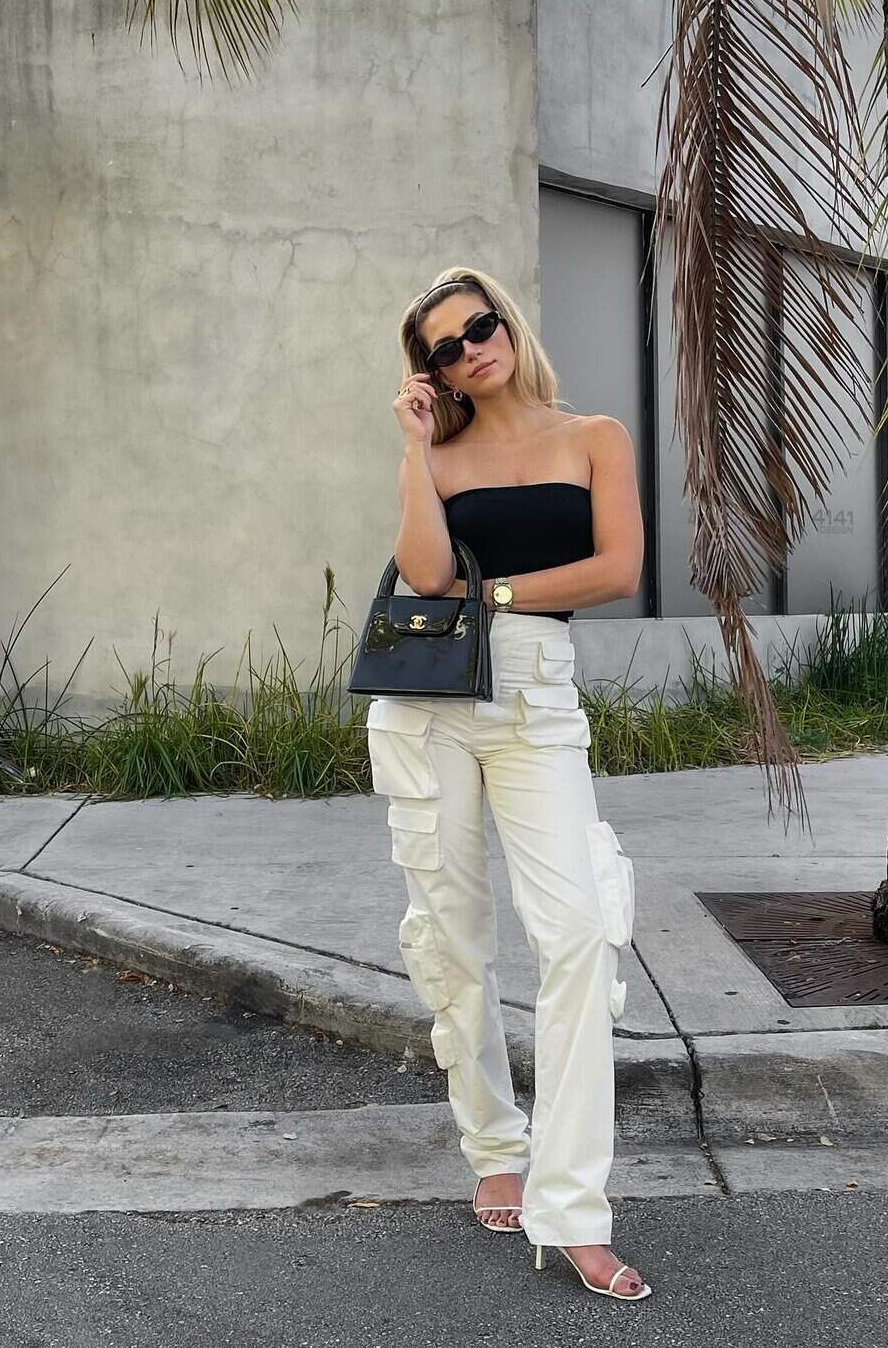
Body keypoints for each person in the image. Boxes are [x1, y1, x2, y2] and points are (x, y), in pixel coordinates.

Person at [365, 267, 650, 1303]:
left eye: (477, 328)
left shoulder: (595, 437)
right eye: (443, 349)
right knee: (452, 934)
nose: (469, 351)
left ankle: (570, 1206)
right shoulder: (441, 454)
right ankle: (493, 1143)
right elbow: (423, 574)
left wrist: (499, 592)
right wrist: (413, 447)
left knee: (578, 935)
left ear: (508, 324)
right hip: (429, 707)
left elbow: (617, 569)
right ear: (433, 373)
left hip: (537, 703)